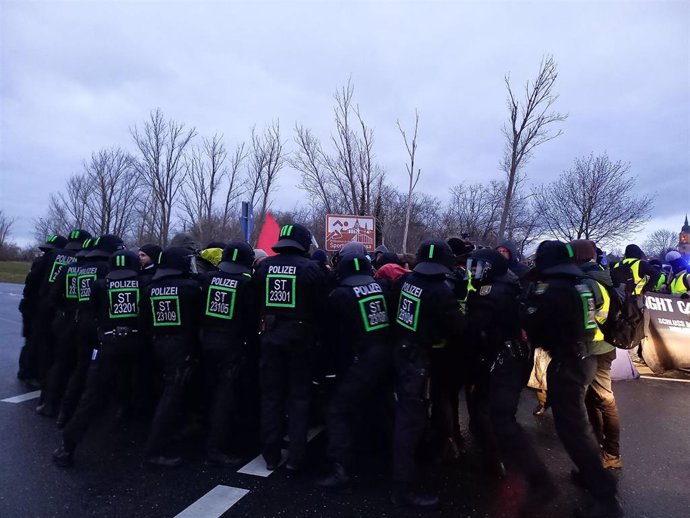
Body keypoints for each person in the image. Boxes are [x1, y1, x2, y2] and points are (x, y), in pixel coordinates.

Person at [524, 241, 622, 518]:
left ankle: (605, 497)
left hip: (569, 361)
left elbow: (535, 325)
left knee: (574, 431)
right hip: (583, 358)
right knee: (576, 428)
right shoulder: (580, 283)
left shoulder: (555, 288)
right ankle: (594, 479)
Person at [465, 248, 554, 511]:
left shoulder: (490, 292)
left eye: (478, 267)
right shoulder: (510, 284)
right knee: (486, 405)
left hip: (505, 359)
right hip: (512, 355)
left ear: (490, 269)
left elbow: (471, 327)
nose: (474, 272)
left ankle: (536, 479)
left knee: (501, 417)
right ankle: (495, 459)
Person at [52, 250, 147, 467]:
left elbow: (93, 311)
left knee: (91, 395)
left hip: (108, 344)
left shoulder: (100, 285)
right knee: (137, 384)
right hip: (136, 343)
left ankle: (68, 447)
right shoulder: (142, 284)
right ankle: (140, 437)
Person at [390, 239, 463, 510]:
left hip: (402, 353)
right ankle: (403, 489)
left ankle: (408, 468)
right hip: (419, 360)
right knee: (409, 423)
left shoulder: (404, 282)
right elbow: (457, 327)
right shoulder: (440, 291)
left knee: (408, 417)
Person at [253, 223, 327, 471]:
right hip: (301, 339)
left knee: (271, 397)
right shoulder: (312, 269)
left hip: (271, 337)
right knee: (299, 396)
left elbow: (254, 300)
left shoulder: (264, 267)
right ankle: (296, 457)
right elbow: (321, 307)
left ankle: (270, 455)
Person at [316, 254, 392, 493]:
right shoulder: (380, 288)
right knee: (377, 407)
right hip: (384, 357)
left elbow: (331, 334)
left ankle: (341, 470)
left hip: (360, 360)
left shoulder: (341, 295)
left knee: (338, 410)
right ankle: (380, 457)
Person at [197, 241, 258, 466]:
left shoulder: (205, 279)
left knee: (208, 392)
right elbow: (251, 321)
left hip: (205, 342)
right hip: (231, 346)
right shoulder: (246, 284)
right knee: (224, 397)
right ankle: (215, 448)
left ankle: (204, 438)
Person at [142, 246, 202, 467]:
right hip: (181, 346)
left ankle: (175, 431)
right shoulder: (191, 288)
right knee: (171, 396)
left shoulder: (151, 287)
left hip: (158, 344)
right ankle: (154, 450)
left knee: (166, 393)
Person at [57, 234, 124, 428]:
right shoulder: (106, 269)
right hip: (97, 324)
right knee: (96, 371)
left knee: (79, 367)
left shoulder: (81, 267)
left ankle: (65, 411)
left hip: (79, 320)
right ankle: (90, 412)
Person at [571, 239, 623, 470]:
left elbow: (589, 319)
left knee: (604, 399)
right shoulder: (603, 274)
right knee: (596, 399)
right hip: (605, 346)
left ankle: (611, 453)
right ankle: (604, 450)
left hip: (592, 348)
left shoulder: (586, 280)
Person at [17, 234, 68, 385]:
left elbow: (30, 283)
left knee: (32, 339)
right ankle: (32, 373)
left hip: (32, 305)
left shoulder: (40, 262)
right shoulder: (47, 263)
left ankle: (26, 371)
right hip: (37, 306)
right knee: (39, 340)